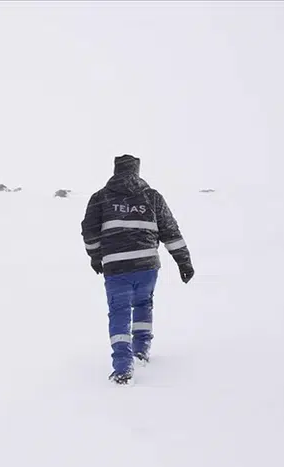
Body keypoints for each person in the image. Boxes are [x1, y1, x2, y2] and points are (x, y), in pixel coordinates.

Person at [81, 154, 194, 385]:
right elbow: (170, 231)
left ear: (116, 170)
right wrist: (184, 261)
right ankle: (141, 351)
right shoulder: (152, 197)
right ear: (136, 171)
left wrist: (95, 257)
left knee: (119, 313)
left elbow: (89, 231)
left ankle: (123, 368)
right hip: (147, 266)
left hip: (116, 267)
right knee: (143, 305)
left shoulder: (100, 197)